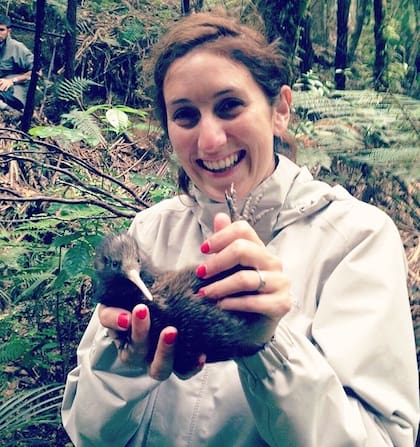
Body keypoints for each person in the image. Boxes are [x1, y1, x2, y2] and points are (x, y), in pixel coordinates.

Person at [61, 10, 419, 447]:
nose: (209, 140)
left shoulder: (355, 240)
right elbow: (87, 432)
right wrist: (123, 365)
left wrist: (268, 344)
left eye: (230, 105)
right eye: (186, 115)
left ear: (280, 110)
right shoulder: (150, 233)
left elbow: (383, 439)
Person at [0, 14, 33, 111]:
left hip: (13, 89)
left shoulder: (17, 48)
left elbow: (37, 72)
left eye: (1, 30)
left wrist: (12, 80)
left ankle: (14, 113)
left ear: (8, 31)